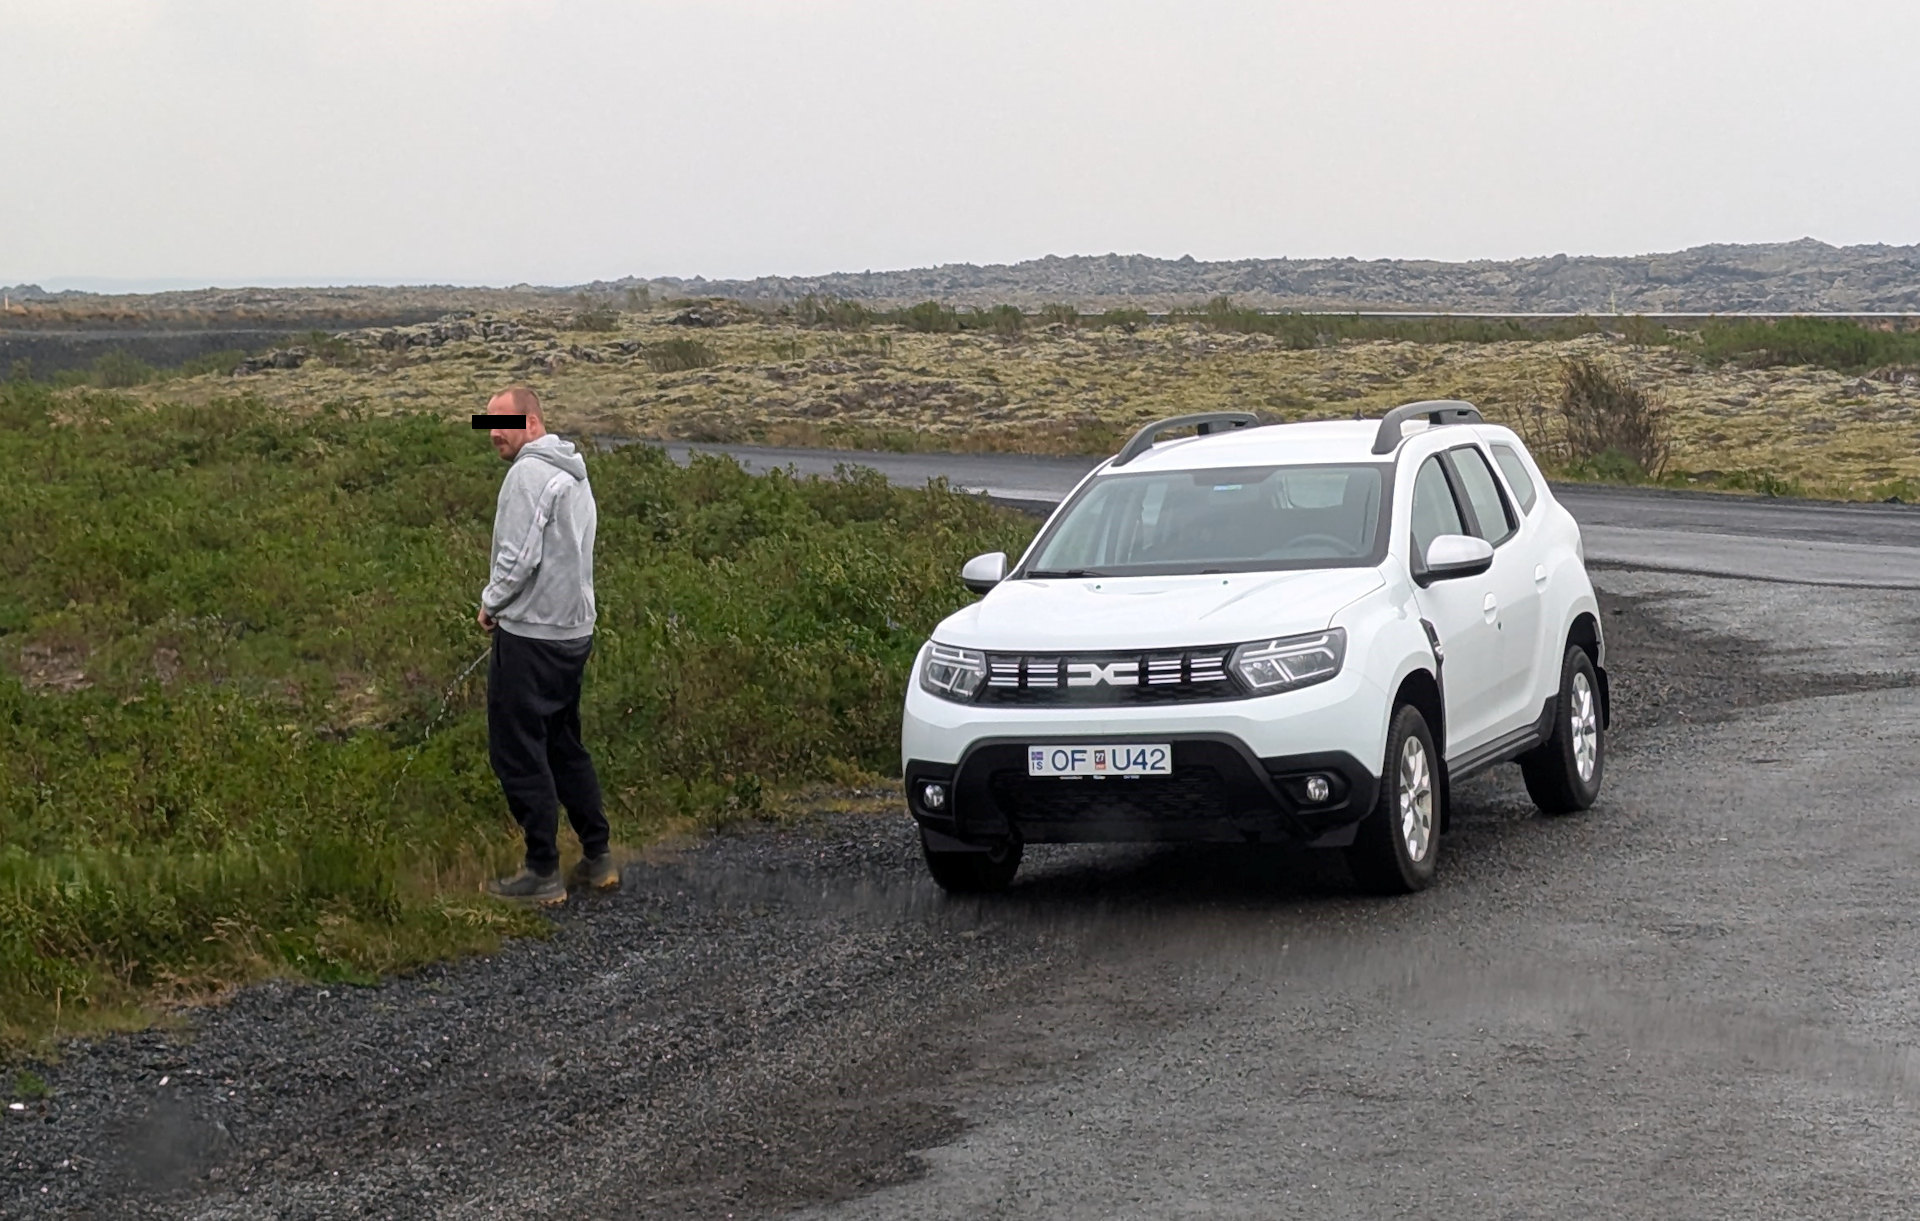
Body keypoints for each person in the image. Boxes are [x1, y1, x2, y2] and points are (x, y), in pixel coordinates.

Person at [477, 386, 618, 903]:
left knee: (517, 750)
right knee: (562, 744)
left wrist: (491, 605)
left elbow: (518, 557)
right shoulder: (573, 472)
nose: (493, 433)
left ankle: (542, 871)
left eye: (503, 423)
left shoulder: (528, 475)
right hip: (573, 632)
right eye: (487, 423)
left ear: (532, 421)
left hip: (534, 635)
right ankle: (598, 857)